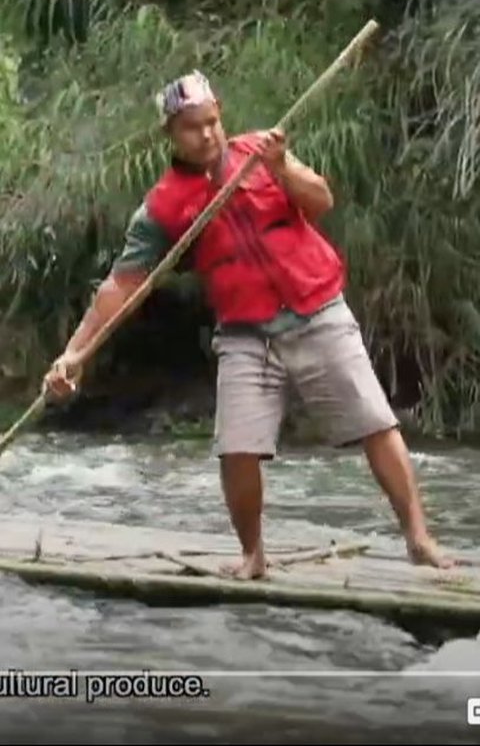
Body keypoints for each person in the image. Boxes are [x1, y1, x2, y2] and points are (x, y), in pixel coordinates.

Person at [43, 70, 453, 578]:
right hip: (245, 333)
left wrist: (282, 168)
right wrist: (75, 354)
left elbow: (321, 200)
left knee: (376, 423)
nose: (208, 134)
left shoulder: (261, 150)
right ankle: (253, 554)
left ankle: (418, 538)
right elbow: (122, 285)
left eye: (213, 121)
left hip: (318, 312)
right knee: (236, 448)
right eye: (193, 127)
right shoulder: (162, 207)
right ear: (171, 133)